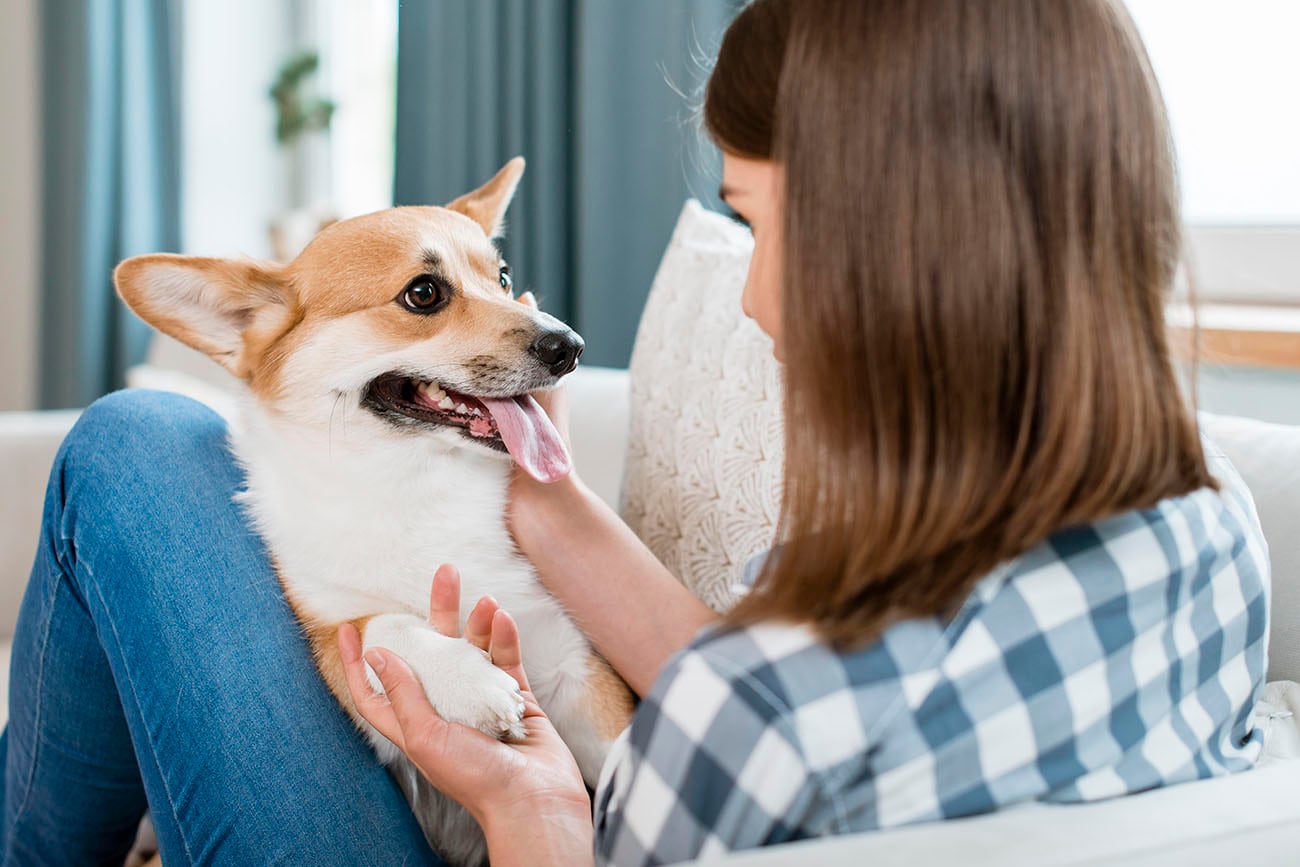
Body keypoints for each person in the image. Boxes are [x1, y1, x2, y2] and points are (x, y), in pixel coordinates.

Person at [0, 0, 1270, 865]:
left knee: (132, 446)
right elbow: (749, 690)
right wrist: (537, 476)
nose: (755, 292)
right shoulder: (1212, 530)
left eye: (762, 226)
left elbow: (720, 725)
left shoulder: (753, 719)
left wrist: (532, 800)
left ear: (906, 241)